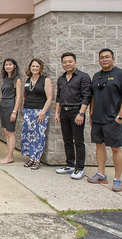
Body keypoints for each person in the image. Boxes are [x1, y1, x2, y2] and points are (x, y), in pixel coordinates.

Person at [87, 48, 122, 192]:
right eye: (101, 57)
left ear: (113, 59)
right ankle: (101, 174)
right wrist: (91, 113)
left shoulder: (121, 75)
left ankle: (117, 179)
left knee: (115, 148)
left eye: (107, 57)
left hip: (113, 119)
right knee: (99, 146)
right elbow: (93, 96)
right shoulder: (96, 76)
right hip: (98, 118)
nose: (104, 60)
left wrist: (120, 117)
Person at [54, 52, 91, 180]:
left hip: (77, 111)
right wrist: (57, 113)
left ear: (75, 62)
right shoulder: (61, 79)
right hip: (64, 112)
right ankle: (70, 164)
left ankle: (79, 168)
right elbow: (58, 97)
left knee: (79, 141)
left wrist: (81, 113)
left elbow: (87, 96)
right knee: (67, 140)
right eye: (65, 62)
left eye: (70, 61)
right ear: (62, 64)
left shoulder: (83, 77)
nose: (67, 64)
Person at [21, 58, 54, 170]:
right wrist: (22, 108)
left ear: (40, 68)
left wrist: (43, 112)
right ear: (30, 67)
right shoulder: (27, 80)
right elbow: (24, 96)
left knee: (39, 135)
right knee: (28, 135)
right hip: (27, 111)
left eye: (37, 66)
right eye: (33, 66)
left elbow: (50, 98)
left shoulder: (46, 80)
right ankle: (31, 158)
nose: (34, 68)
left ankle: (37, 159)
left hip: (39, 111)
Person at [0, 58, 22, 164]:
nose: (8, 66)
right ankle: (8, 154)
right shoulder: (5, 79)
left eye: (10, 64)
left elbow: (18, 96)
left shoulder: (17, 80)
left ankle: (10, 156)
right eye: (6, 64)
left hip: (10, 105)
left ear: (14, 66)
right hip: (3, 105)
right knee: (6, 131)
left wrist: (14, 111)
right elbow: (3, 94)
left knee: (10, 131)